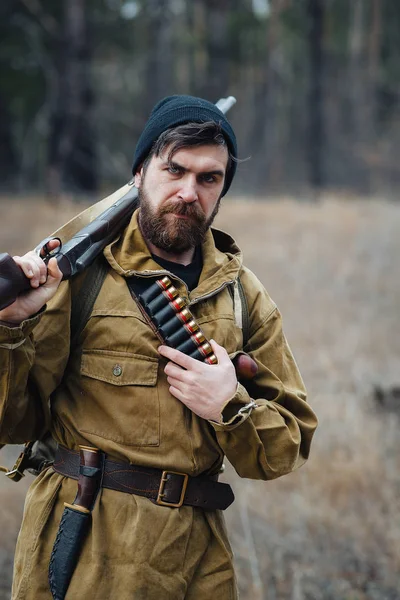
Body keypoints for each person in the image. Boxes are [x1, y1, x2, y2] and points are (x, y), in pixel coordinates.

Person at [0, 95, 317, 600]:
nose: (188, 191)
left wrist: (227, 406)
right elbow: (10, 424)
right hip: (84, 546)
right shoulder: (76, 277)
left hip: (197, 563)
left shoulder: (243, 296)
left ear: (222, 190)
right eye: (174, 170)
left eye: (209, 178)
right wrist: (12, 329)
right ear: (140, 174)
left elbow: (285, 449)